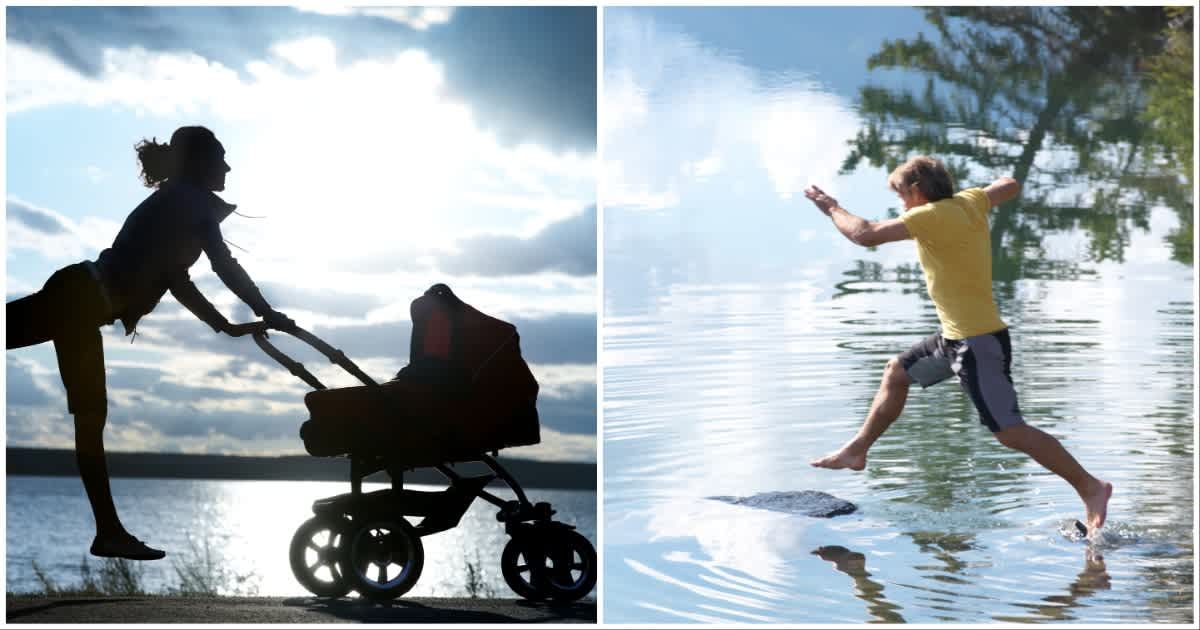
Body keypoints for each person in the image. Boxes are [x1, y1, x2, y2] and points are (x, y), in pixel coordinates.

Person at [6, 126, 295, 560]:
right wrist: (265, 309)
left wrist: (228, 327)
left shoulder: (178, 202)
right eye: (220, 158)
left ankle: (108, 533)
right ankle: (108, 533)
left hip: (79, 300)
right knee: (90, 422)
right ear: (198, 163)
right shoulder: (190, 202)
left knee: (90, 422)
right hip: (78, 300)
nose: (228, 167)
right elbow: (224, 266)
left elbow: (178, 281)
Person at [802, 155, 1112, 532]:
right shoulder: (969, 202)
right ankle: (857, 450)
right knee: (896, 373)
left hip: (977, 343)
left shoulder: (930, 215)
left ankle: (1091, 487)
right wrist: (988, 190)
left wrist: (830, 207)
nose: (901, 206)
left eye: (902, 196)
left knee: (1010, 432)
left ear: (917, 192)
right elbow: (1010, 185)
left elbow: (865, 234)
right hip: (954, 338)